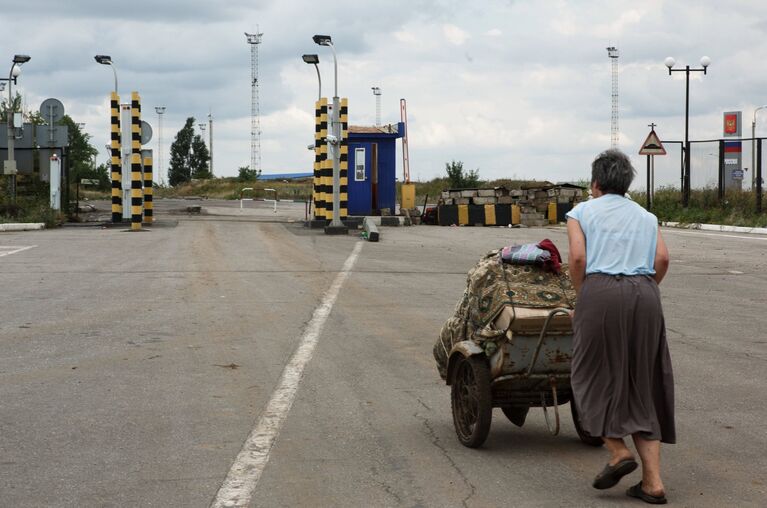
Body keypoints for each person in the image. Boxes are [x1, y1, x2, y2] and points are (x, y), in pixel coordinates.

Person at [566, 149, 674, 505]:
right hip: (645, 294)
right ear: (626, 183)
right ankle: (653, 483)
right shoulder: (646, 215)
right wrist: (644, 288)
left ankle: (617, 450)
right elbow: (662, 259)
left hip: (600, 291)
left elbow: (579, 258)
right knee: (643, 382)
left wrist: (585, 298)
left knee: (588, 374)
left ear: (595, 183)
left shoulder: (581, 211)